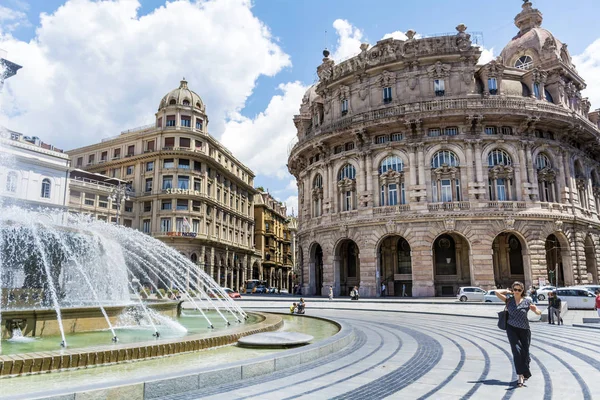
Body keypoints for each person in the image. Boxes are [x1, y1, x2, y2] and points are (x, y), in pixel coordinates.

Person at [495, 281, 542, 388]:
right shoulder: (508, 300)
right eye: (515, 290)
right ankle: (520, 376)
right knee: (517, 351)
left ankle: (525, 370)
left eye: (519, 290)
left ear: (522, 291)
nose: (517, 292)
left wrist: (536, 311)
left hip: (524, 330)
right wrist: (508, 291)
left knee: (525, 353)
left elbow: (539, 312)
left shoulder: (527, 301)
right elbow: (496, 292)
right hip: (511, 329)